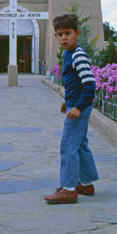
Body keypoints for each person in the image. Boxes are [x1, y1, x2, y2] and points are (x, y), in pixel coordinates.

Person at [44, 13, 99, 204]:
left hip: (79, 109)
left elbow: (89, 85)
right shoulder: (67, 54)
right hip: (74, 105)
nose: (63, 38)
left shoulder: (78, 55)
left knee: (68, 145)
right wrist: (67, 101)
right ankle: (85, 183)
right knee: (80, 144)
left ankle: (68, 189)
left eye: (67, 33)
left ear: (77, 33)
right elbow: (73, 83)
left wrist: (77, 106)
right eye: (59, 34)